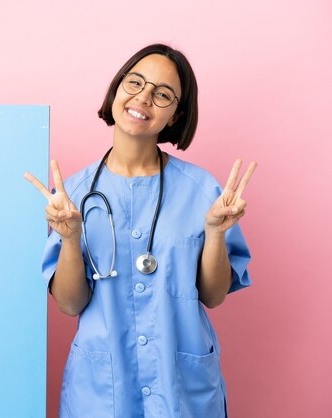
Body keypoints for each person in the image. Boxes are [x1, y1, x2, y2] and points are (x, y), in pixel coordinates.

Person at [24, 43, 257, 418]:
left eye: (162, 94)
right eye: (135, 82)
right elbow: (70, 304)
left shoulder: (203, 192)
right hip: (102, 390)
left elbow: (213, 296)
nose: (144, 97)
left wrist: (214, 232)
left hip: (180, 386)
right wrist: (69, 238)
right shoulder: (75, 194)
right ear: (117, 89)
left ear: (176, 114)